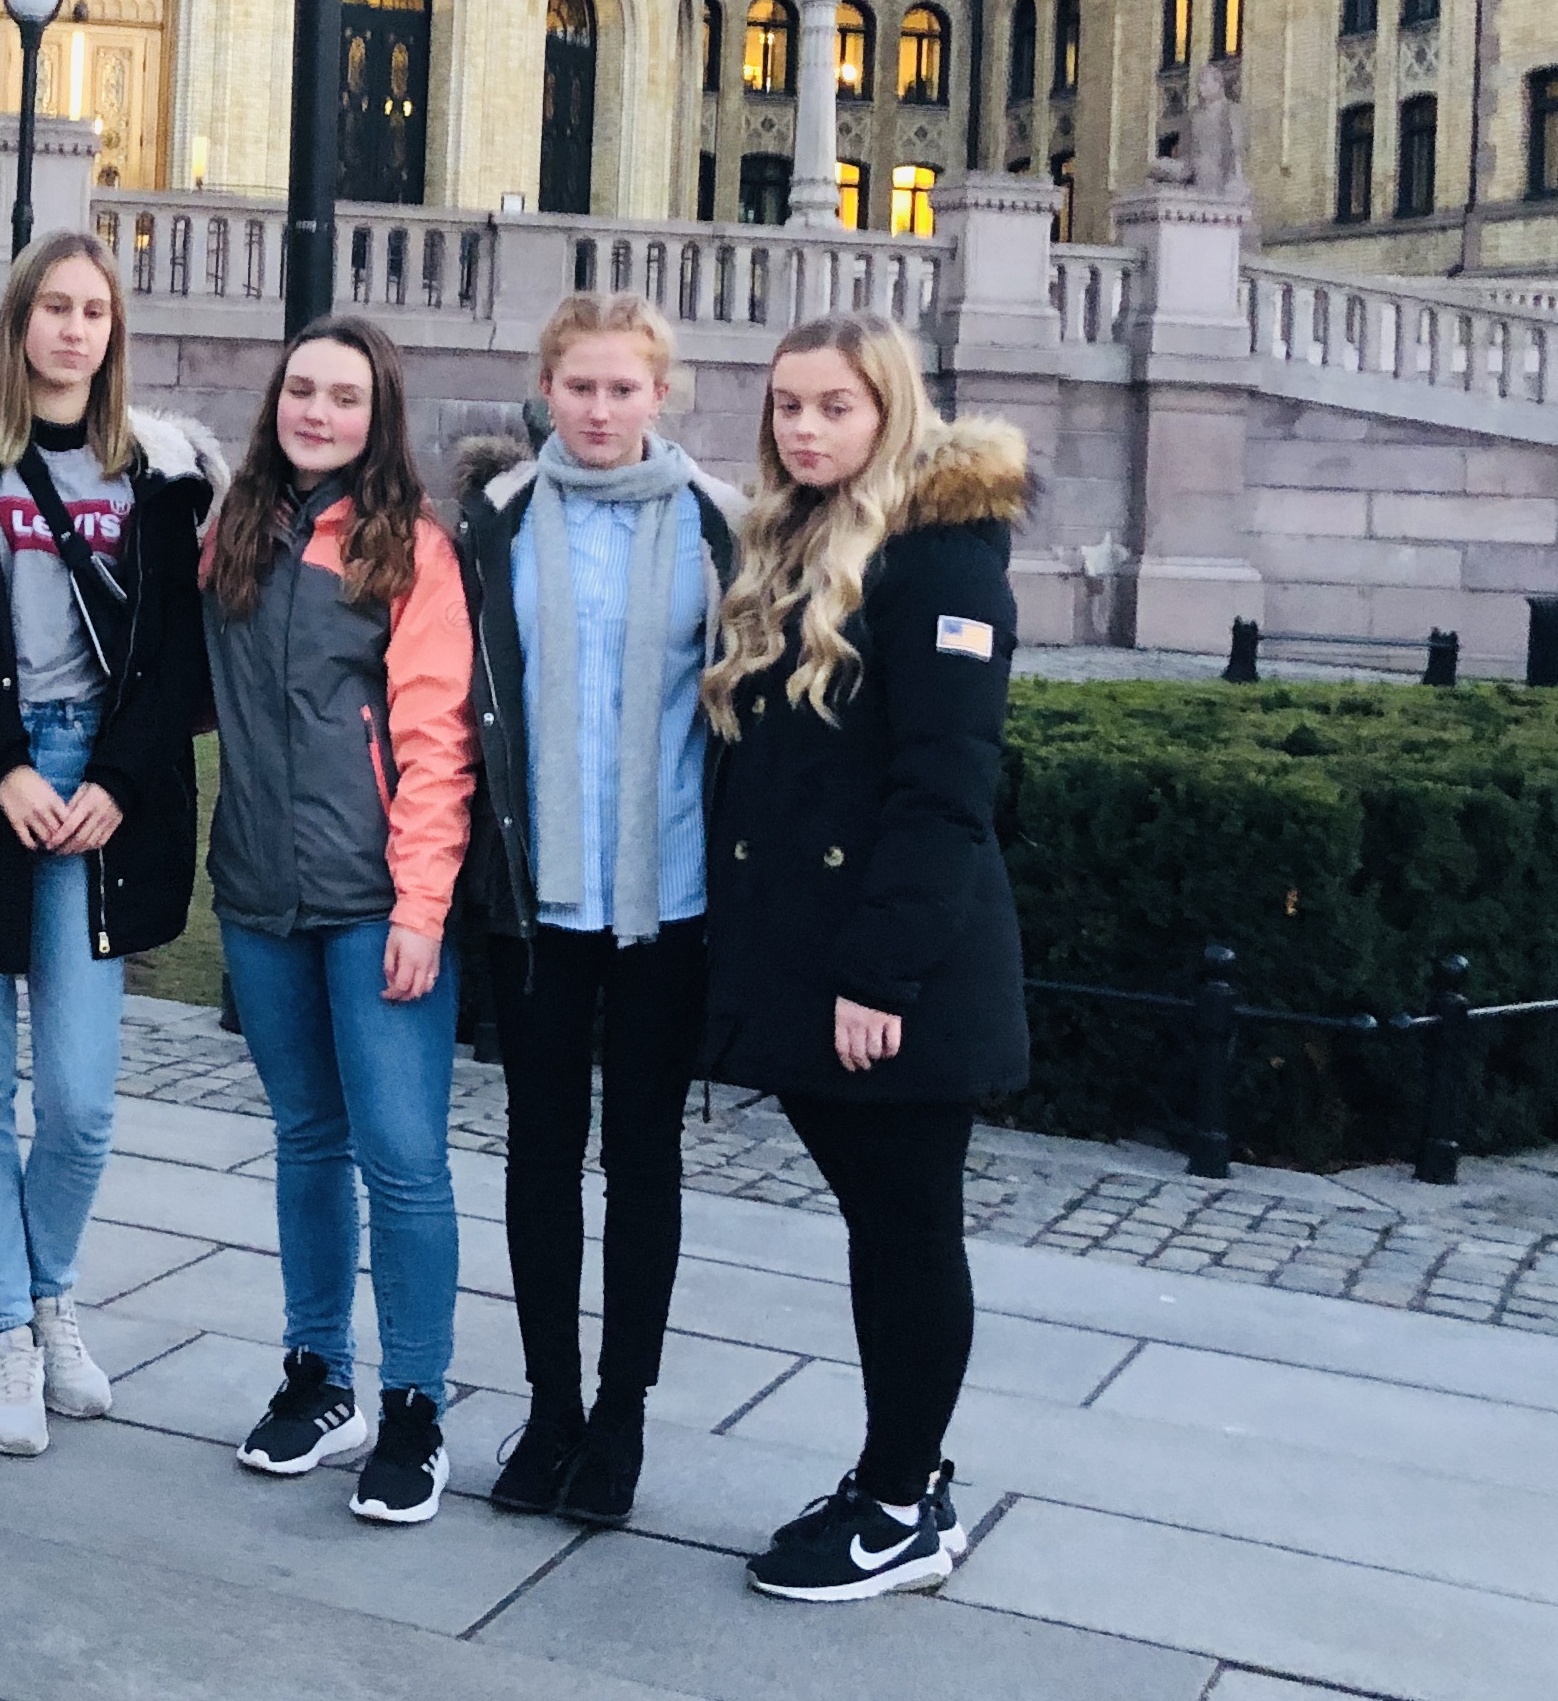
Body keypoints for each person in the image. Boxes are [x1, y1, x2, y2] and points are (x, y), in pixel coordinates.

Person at [701, 311, 1030, 1599]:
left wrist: (879, 979)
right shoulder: (793, 543)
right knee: (879, 1228)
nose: (804, 427)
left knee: (904, 1231)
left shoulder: (944, 560)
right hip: (821, 959)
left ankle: (903, 1504)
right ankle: (904, 1472)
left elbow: (946, 788)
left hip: (902, 975)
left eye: (835, 406)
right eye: (788, 405)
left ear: (889, 410)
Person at [0, 232, 218, 1455]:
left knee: (77, 1100)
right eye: (55, 308)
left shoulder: (161, 478)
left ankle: (50, 1287)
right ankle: (8, 1335)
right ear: (19, 321)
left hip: (101, 789)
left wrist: (117, 783)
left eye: (94, 311)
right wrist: (5, 767)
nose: (75, 329)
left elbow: (177, 654)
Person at [454, 292, 738, 1529]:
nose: (603, 408)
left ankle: (621, 1415)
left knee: (644, 1159)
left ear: (660, 394)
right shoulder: (500, 522)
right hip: (539, 893)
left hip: (667, 891)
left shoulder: (722, 522)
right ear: (547, 391)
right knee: (537, 1151)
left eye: (625, 388)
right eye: (581, 387)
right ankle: (552, 1404)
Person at [202, 316, 475, 1526]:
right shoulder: (236, 536)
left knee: (404, 1161)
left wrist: (423, 907)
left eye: (345, 397)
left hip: (375, 904)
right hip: (261, 893)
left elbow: (434, 743)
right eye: (301, 390)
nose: (318, 411)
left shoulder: (407, 552)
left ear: (379, 419)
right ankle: (320, 1377)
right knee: (307, 1140)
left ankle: (414, 1402)